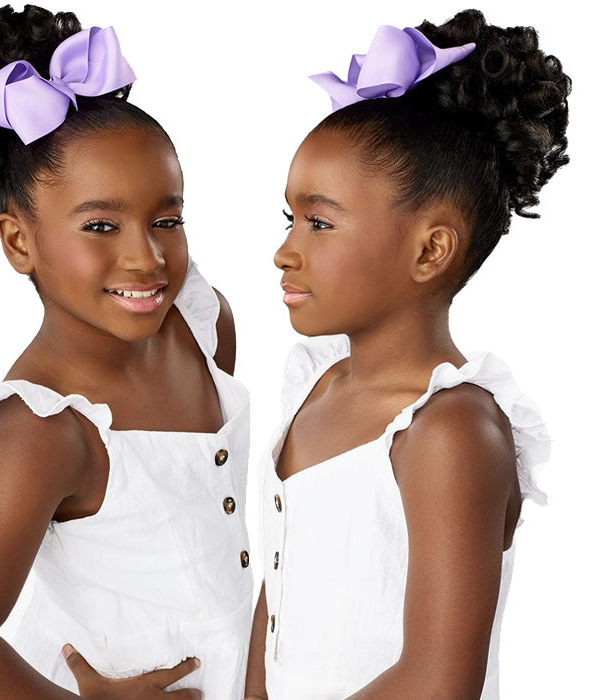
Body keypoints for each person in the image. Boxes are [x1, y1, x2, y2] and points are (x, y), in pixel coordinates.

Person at [0, 5, 252, 699]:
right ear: (19, 242)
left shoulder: (199, 322)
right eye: (100, 226)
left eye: (166, 219)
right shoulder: (45, 429)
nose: (146, 257)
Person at [244, 9, 569, 700]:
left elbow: (437, 680)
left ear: (430, 250)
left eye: (320, 222)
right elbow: (276, 603)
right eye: (290, 218)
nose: (285, 250)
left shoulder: (450, 431)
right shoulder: (315, 389)